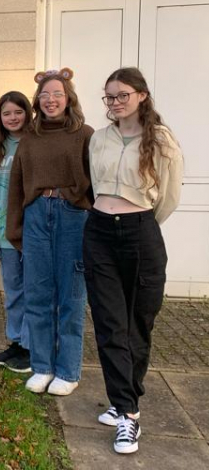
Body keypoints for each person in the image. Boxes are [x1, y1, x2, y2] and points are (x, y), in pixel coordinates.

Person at [85, 67, 183, 454]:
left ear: (141, 95)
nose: (115, 102)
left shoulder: (160, 139)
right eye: (109, 96)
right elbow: (94, 182)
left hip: (140, 232)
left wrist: (140, 224)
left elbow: (169, 195)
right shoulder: (100, 138)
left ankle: (128, 401)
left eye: (122, 95)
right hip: (98, 233)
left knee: (138, 323)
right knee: (110, 324)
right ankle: (126, 412)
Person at [7, 68, 94, 397]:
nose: (50, 100)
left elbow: (96, 181)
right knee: (38, 295)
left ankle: (68, 370)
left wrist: (81, 204)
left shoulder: (84, 133)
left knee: (71, 297)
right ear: (37, 101)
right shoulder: (30, 136)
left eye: (57, 94)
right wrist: (15, 226)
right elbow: (16, 183)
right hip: (36, 216)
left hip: (73, 217)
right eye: (44, 95)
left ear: (68, 97)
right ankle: (42, 366)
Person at [0, 91, 33, 373]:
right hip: (6, 234)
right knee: (14, 292)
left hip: (33, 234)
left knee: (33, 293)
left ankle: (30, 346)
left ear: (27, 112)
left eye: (18, 112)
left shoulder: (35, 144)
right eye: (6, 113)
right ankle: (16, 341)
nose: (12, 118)